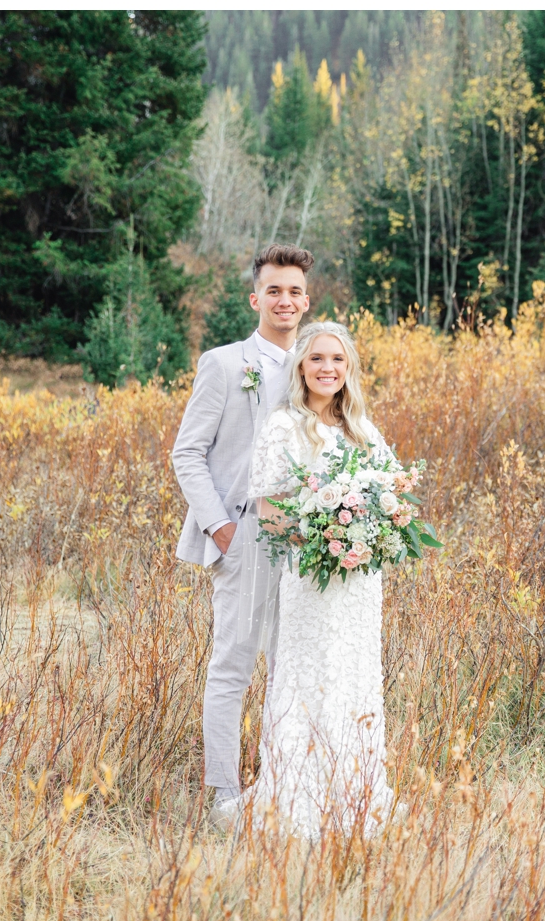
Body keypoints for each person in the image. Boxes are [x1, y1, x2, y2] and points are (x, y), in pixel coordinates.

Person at [170, 244, 310, 828]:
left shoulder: (318, 363)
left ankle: (282, 783)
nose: (285, 300)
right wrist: (222, 528)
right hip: (243, 533)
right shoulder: (226, 364)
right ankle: (223, 795)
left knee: (292, 665)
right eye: (274, 290)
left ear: (307, 300)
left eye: (295, 291)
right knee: (233, 666)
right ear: (256, 298)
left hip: (307, 543)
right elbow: (188, 452)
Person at [241, 321, 399, 838]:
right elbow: (267, 509)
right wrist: (320, 532)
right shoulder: (285, 426)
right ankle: (297, 796)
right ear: (301, 367)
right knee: (311, 675)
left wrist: (369, 534)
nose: (327, 368)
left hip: (360, 584)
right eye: (316, 359)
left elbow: (391, 498)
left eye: (337, 359)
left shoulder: (362, 428)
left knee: (355, 675)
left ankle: (356, 792)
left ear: (349, 367)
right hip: (311, 576)